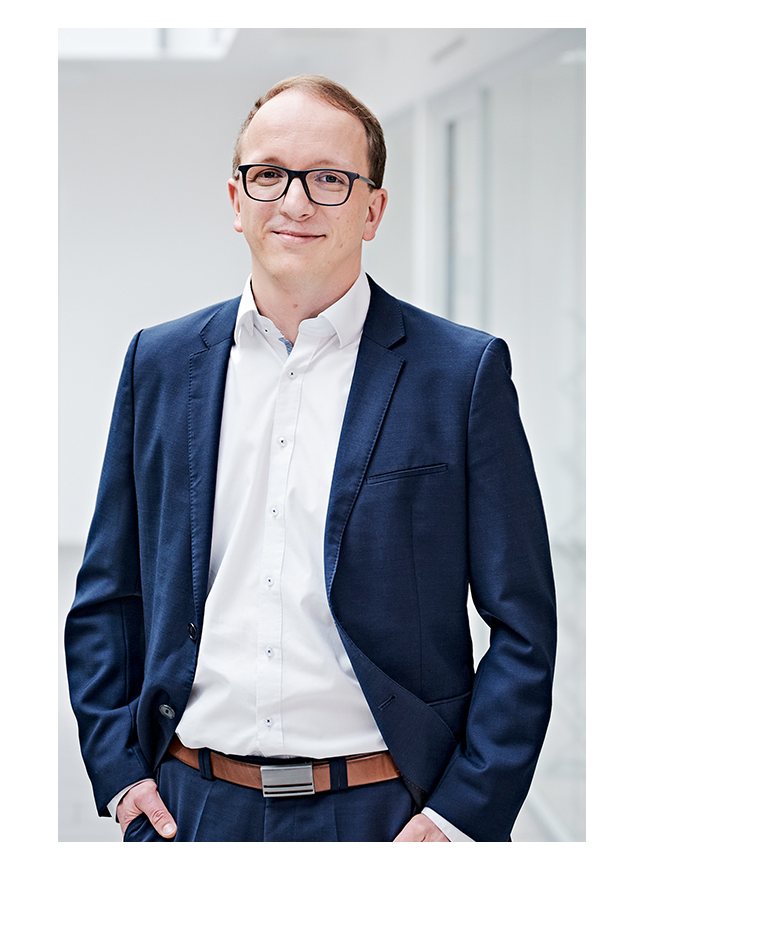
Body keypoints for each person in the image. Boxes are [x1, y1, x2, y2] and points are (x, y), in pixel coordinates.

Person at [65, 74, 556, 842]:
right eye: (270, 174)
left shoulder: (459, 376)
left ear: (373, 209)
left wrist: (462, 814)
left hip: (384, 813)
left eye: (329, 179)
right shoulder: (158, 365)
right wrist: (120, 771)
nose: (295, 202)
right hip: (190, 809)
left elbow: (523, 623)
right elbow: (108, 594)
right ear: (237, 200)